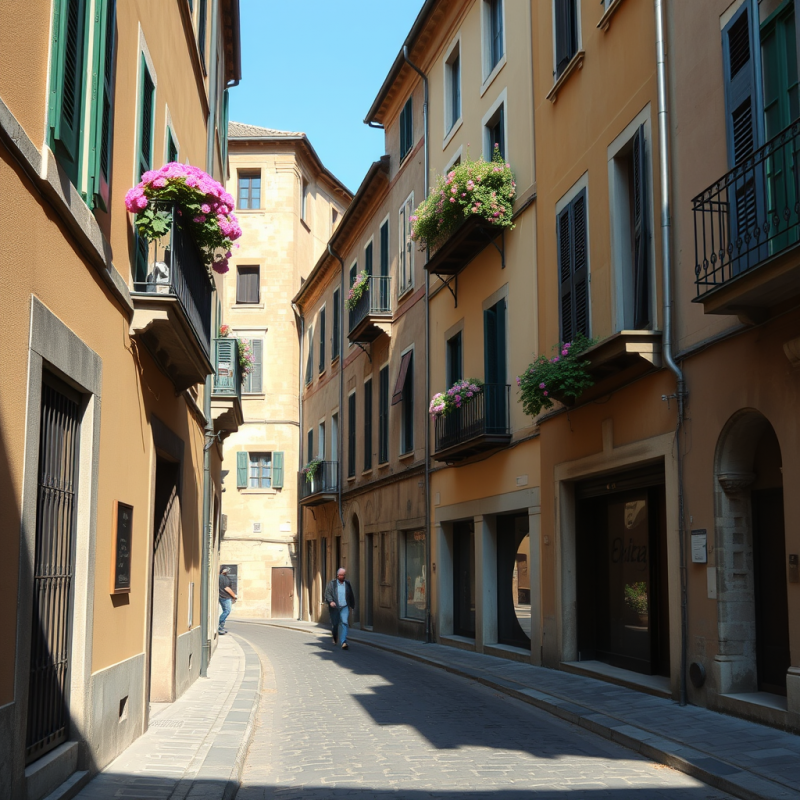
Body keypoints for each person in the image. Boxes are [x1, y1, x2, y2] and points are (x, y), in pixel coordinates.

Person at [324, 567, 355, 650]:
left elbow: (350, 595)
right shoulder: (332, 584)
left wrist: (352, 605)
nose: (342, 577)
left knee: (344, 622)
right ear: (337, 575)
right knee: (335, 624)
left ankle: (343, 642)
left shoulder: (347, 584)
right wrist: (331, 601)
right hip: (335, 607)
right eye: (340, 575)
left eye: (343, 575)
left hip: (344, 606)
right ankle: (335, 637)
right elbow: (327, 594)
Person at [219, 566, 237, 635]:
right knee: (227, 611)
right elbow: (227, 588)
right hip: (225, 597)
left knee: (225, 611)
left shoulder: (219, 577)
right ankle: (220, 627)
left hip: (222, 596)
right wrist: (234, 596)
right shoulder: (224, 578)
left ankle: (221, 627)